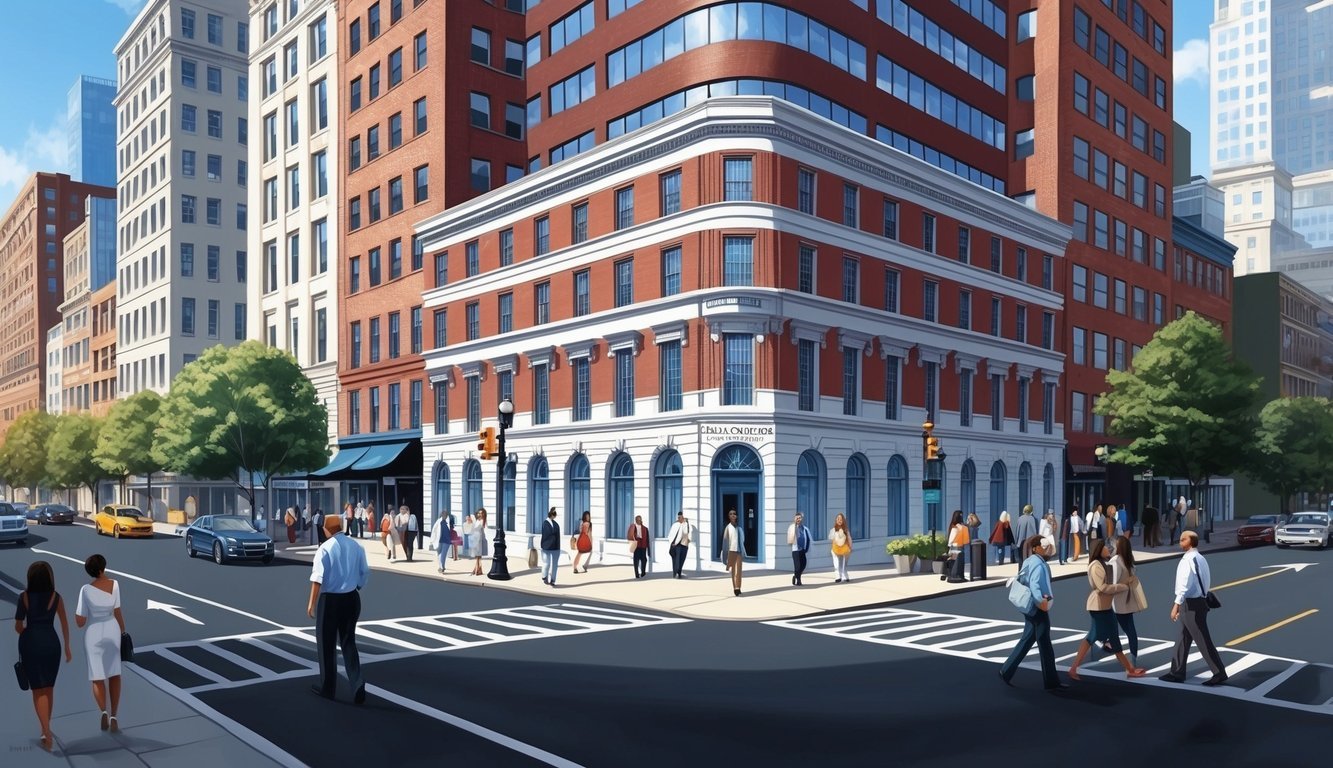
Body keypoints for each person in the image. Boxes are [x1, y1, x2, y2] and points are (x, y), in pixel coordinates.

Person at [307, 514, 370, 704]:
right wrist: (357, 585)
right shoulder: (356, 546)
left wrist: (311, 603)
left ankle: (328, 687)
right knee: (348, 641)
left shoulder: (324, 549)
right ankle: (357, 683)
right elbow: (364, 572)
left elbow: (317, 579)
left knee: (326, 644)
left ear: (327, 529)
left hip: (330, 600)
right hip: (351, 598)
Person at [1065, 540, 1148, 681]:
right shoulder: (1096, 566)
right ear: (1098, 549)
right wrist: (1123, 586)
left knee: (1104, 638)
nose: (1107, 548)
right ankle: (1074, 669)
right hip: (1098, 607)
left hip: (1105, 607)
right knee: (1097, 638)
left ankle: (1130, 669)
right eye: (1104, 546)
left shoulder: (1103, 564)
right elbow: (1102, 588)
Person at [15, 561, 72, 752]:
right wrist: (67, 648)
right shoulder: (56, 597)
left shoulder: (24, 597)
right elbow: (64, 623)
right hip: (51, 643)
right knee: (48, 688)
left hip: (31, 643)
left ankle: (46, 733)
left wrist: (26, 633)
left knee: (37, 690)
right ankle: (44, 729)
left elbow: (18, 626)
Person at [1159, 530, 1228, 686]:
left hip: (1191, 605)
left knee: (1203, 640)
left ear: (1190, 542)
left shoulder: (1187, 560)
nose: (1180, 542)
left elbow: (1184, 585)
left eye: (1183, 539)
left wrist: (1176, 605)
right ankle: (1177, 672)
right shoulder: (1201, 558)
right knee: (1182, 638)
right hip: (1198, 602)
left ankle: (1219, 672)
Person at [999, 536, 1064, 691]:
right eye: (1044, 546)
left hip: (1030, 607)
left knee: (1028, 639)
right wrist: (1042, 602)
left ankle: (1006, 671)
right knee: (1045, 644)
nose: (1047, 549)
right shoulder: (1038, 565)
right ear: (1036, 548)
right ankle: (1051, 682)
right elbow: (1034, 585)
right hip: (1037, 607)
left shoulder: (1030, 560)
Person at [74, 554, 126, 734]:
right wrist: (122, 631)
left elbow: (80, 621)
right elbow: (118, 611)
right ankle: (114, 716)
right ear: (103, 568)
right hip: (112, 630)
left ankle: (103, 710)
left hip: (93, 633)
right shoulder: (115, 584)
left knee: (97, 676)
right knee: (114, 674)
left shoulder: (85, 590)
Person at [1109, 536, 1145, 667]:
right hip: (1127, 600)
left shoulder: (1115, 561)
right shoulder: (1129, 560)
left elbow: (1112, 582)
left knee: (1107, 628)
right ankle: (1133, 657)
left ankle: (1119, 655)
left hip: (1116, 602)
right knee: (1130, 630)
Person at [722, 509, 745, 596]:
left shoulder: (739, 528)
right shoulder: (728, 528)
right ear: (729, 516)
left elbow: (742, 539)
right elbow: (725, 542)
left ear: (736, 516)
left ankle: (739, 587)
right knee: (733, 570)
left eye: (734, 514)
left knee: (739, 571)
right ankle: (735, 588)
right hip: (731, 551)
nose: (733, 515)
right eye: (731, 514)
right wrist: (725, 556)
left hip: (738, 551)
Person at [943, 510, 969, 583]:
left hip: (953, 547)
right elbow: (965, 541)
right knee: (959, 563)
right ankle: (958, 577)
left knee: (954, 562)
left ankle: (953, 576)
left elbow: (950, 540)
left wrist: (948, 549)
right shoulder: (961, 527)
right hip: (959, 547)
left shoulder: (953, 526)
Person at [786, 513, 812, 586]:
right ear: (794, 519)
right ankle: (798, 580)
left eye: (800, 518)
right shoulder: (792, 527)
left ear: (802, 519)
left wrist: (806, 549)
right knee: (797, 566)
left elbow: (808, 539)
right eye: (797, 518)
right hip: (795, 550)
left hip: (802, 550)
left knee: (803, 565)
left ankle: (795, 575)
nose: (798, 519)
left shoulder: (805, 529)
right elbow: (789, 538)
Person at [539, 508, 561, 586]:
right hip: (546, 547)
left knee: (555, 565)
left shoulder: (556, 524)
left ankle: (553, 580)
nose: (555, 517)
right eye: (554, 515)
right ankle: (544, 576)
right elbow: (547, 534)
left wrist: (558, 547)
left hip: (555, 547)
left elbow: (557, 536)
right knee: (547, 563)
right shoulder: (545, 523)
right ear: (552, 515)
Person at [829, 513, 853, 583]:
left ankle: (845, 575)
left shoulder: (846, 530)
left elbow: (849, 538)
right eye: (838, 519)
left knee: (844, 564)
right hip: (835, 549)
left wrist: (850, 547)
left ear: (843, 521)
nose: (839, 521)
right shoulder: (833, 530)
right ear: (836, 520)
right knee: (836, 564)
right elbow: (832, 539)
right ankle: (837, 577)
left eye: (841, 519)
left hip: (844, 549)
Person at [667, 512, 692, 579]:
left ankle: (679, 573)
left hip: (684, 545)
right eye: (678, 517)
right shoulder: (675, 525)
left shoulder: (686, 525)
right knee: (676, 560)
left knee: (682, 560)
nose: (679, 518)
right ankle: (675, 573)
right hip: (676, 545)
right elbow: (670, 535)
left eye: (681, 517)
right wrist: (672, 542)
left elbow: (688, 533)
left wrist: (689, 540)